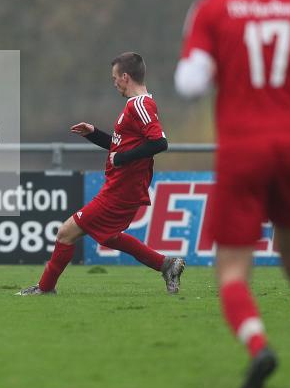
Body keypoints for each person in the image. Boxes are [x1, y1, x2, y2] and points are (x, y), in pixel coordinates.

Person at [176, 0, 290, 388]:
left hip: (243, 149)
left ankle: (258, 345)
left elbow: (190, 82)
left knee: (232, 269)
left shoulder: (213, 9)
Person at [19, 53, 184, 296]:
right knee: (109, 237)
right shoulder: (135, 106)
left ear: (125, 77)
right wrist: (94, 134)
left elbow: (159, 142)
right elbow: (121, 146)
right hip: (120, 186)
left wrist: (121, 158)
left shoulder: (140, 104)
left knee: (65, 233)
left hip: (122, 190)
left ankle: (45, 288)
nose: (114, 82)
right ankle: (166, 264)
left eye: (115, 78)